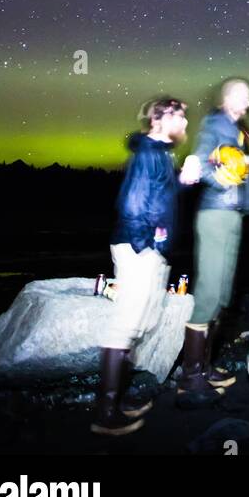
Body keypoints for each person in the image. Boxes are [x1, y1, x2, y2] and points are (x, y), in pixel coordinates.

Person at [91, 96, 188, 436]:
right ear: (160, 120)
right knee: (125, 324)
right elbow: (132, 205)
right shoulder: (148, 152)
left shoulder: (159, 154)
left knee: (141, 323)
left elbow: (158, 198)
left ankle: (117, 402)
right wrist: (149, 246)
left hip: (148, 249)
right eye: (181, 118)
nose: (186, 125)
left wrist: (183, 181)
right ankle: (105, 414)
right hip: (138, 248)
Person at [176, 77, 249, 406]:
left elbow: (233, 166)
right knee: (209, 291)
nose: (248, 104)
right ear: (227, 99)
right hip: (215, 215)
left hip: (232, 216)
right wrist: (221, 182)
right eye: (242, 97)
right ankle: (190, 378)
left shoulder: (239, 131)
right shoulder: (215, 123)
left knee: (223, 293)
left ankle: (205, 366)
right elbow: (201, 161)